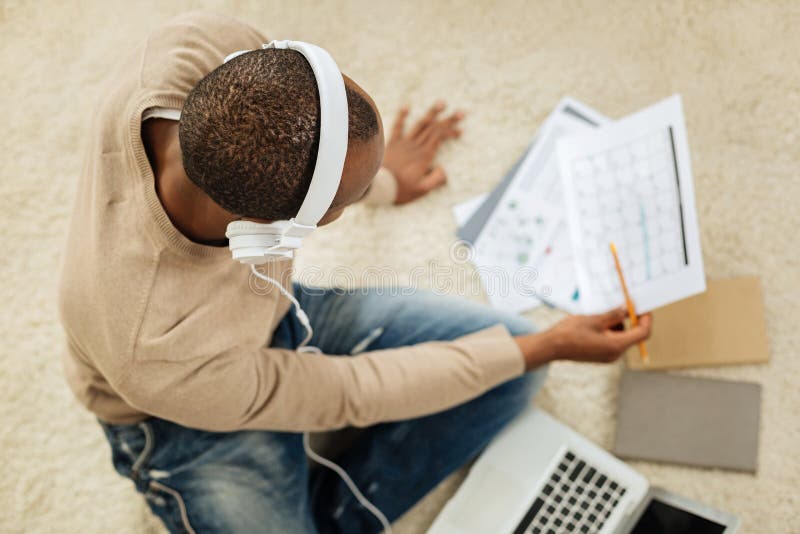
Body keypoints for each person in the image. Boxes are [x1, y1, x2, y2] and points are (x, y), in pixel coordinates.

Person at [58, 11, 652, 534]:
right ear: (266, 230)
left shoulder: (196, 45)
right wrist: (552, 343)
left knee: (512, 362)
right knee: (527, 351)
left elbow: (297, 127)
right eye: (351, 196)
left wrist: (381, 178)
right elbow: (350, 392)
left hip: (267, 311)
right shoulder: (153, 346)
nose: (367, 191)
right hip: (179, 414)